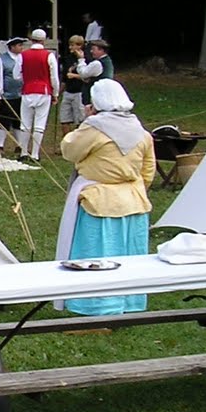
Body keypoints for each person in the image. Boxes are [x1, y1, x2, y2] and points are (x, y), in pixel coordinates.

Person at [55, 79, 155, 315]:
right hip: (133, 199)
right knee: (129, 255)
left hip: (99, 200)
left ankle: (97, 306)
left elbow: (69, 149)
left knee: (97, 254)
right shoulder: (140, 131)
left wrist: (86, 121)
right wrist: (133, 189)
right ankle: (129, 302)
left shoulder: (95, 128)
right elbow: (148, 169)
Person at [17, 29, 59, 164]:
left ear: (31, 39)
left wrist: (26, 79)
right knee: (39, 124)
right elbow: (54, 77)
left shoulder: (22, 55)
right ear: (43, 40)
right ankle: (35, 154)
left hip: (27, 90)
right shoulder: (49, 55)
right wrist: (55, 93)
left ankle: (23, 152)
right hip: (43, 90)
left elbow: (16, 75)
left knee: (25, 123)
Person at [0, 35, 27, 158]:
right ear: (12, 47)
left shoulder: (23, 58)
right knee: (4, 120)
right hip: (6, 96)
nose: (21, 48)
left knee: (18, 121)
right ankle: (0, 145)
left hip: (20, 95)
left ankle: (19, 144)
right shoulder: (1, 60)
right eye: (19, 45)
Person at [59, 35, 89, 135]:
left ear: (79, 46)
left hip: (80, 93)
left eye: (72, 45)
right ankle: (66, 144)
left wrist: (75, 75)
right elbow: (64, 78)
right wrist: (58, 92)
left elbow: (88, 77)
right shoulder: (67, 59)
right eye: (70, 45)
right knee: (64, 119)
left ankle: (78, 143)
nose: (70, 47)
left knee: (80, 120)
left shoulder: (86, 60)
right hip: (68, 92)